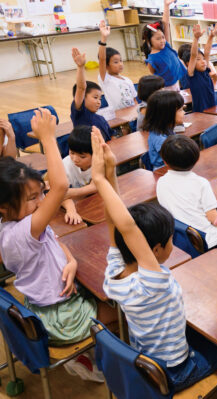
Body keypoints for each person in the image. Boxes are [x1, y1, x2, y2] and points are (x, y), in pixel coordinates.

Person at [91, 132, 217, 391]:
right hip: (176, 371)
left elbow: (116, 223)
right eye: (170, 240)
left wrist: (110, 172)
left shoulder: (115, 272)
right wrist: (99, 179)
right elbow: (127, 226)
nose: (173, 243)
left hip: (148, 359)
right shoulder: (152, 282)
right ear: (155, 250)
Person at [0, 109, 110, 382]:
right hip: (60, 317)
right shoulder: (22, 231)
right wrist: (48, 139)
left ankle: (92, 353)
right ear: (4, 207)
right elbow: (59, 186)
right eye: (32, 198)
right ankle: (84, 358)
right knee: (120, 307)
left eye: (40, 195)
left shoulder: (21, 222)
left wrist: (70, 261)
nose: (40, 202)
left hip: (48, 303)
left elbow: (54, 240)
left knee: (100, 284)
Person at [156, 135, 217, 250]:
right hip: (207, 241)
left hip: (181, 240)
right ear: (196, 159)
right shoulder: (201, 183)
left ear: (165, 161)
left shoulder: (161, 182)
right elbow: (213, 218)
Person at [141, 0, 187, 91]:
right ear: (149, 41)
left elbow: (165, 23)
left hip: (176, 84)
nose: (162, 40)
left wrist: (166, 6)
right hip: (165, 89)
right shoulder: (152, 59)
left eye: (163, 37)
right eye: (158, 39)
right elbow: (154, 76)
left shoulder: (166, 46)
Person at [60, 126, 100, 225]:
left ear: (95, 153)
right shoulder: (65, 164)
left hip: (95, 205)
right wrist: (71, 210)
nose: (75, 159)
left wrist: (71, 192)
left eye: (82, 156)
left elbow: (96, 186)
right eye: (72, 152)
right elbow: (60, 195)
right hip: (75, 206)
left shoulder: (100, 161)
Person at [70, 48, 112, 142]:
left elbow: (111, 136)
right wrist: (80, 67)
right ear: (83, 98)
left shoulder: (100, 118)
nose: (99, 102)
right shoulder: (79, 115)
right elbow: (81, 88)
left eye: (100, 99)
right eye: (95, 97)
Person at [97, 20, 136, 111]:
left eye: (121, 61)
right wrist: (103, 38)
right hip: (118, 118)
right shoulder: (106, 79)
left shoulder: (128, 80)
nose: (120, 64)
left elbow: (135, 100)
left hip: (132, 116)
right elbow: (102, 59)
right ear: (106, 66)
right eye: (115, 62)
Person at [181, 23, 217, 112]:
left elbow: (207, 52)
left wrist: (211, 37)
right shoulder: (192, 74)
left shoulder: (205, 71)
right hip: (200, 111)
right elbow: (193, 55)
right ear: (188, 64)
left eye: (203, 59)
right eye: (198, 60)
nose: (203, 61)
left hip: (212, 108)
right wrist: (196, 39)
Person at [143, 90, 185, 170]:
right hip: (163, 170)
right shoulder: (160, 138)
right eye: (180, 110)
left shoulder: (166, 129)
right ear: (167, 114)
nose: (184, 112)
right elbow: (172, 160)